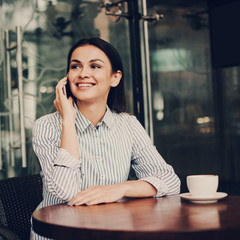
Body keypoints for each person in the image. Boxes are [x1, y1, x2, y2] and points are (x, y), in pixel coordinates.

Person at [31, 37, 180, 239]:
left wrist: (121, 188)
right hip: (61, 234)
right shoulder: (47, 126)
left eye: (95, 66)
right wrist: (68, 121)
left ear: (115, 78)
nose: (83, 73)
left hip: (111, 230)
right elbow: (66, 192)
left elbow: (170, 181)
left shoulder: (128, 125)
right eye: (76, 66)